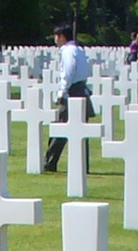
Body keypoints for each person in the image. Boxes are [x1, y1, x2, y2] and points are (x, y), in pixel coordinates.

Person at [42, 25, 92, 173]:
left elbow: (68, 72)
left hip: (72, 91)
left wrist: (62, 92)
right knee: (82, 130)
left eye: (56, 36)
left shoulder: (68, 51)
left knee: (61, 128)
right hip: (81, 89)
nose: (55, 40)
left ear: (62, 36)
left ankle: (50, 162)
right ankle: (83, 165)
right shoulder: (78, 50)